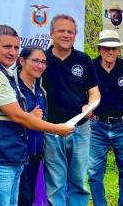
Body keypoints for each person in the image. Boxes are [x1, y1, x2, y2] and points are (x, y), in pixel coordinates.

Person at [0, 25, 73, 206]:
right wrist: (57, 129)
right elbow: (18, 117)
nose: (12, 52)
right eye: (6, 47)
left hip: (10, 156)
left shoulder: (6, 74)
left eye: (15, 47)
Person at [42, 14, 101, 206]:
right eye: (61, 31)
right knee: (55, 183)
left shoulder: (84, 60)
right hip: (51, 130)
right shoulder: (42, 60)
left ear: (75, 36)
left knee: (78, 182)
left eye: (71, 32)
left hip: (80, 129)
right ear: (51, 33)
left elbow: (95, 93)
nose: (66, 35)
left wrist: (90, 106)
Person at [87, 30, 123, 206]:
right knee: (95, 172)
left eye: (114, 49)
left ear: (118, 50)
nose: (110, 52)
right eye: (106, 48)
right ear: (99, 49)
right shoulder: (91, 67)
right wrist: (85, 108)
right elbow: (82, 93)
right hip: (96, 126)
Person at [13, 45, 48, 206]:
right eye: (35, 61)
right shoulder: (13, 89)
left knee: (31, 198)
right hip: (18, 155)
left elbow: (43, 120)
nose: (40, 65)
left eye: (43, 62)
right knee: (21, 199)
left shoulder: (40, 89)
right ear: (21, 60)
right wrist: (30, 118)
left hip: (36, 153)